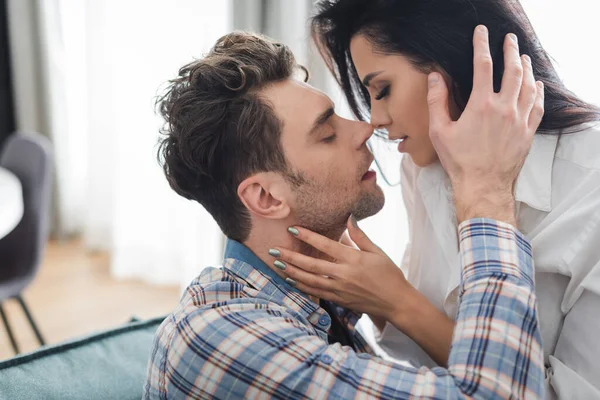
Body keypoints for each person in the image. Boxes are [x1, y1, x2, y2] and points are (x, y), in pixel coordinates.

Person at [143, 29, 545, 399]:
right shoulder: (220, 338)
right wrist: (486, 192)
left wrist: (395, 302)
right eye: (328, 134)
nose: (365, 128)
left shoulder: (322, 304)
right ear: (266, 197)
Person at [276, 0, 600, 398]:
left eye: (383, 89)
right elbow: (435, 373)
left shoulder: (591, 183)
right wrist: (379, 300)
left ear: (456, 61)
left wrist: (396, 302)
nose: (374, 119)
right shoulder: (425, 167)